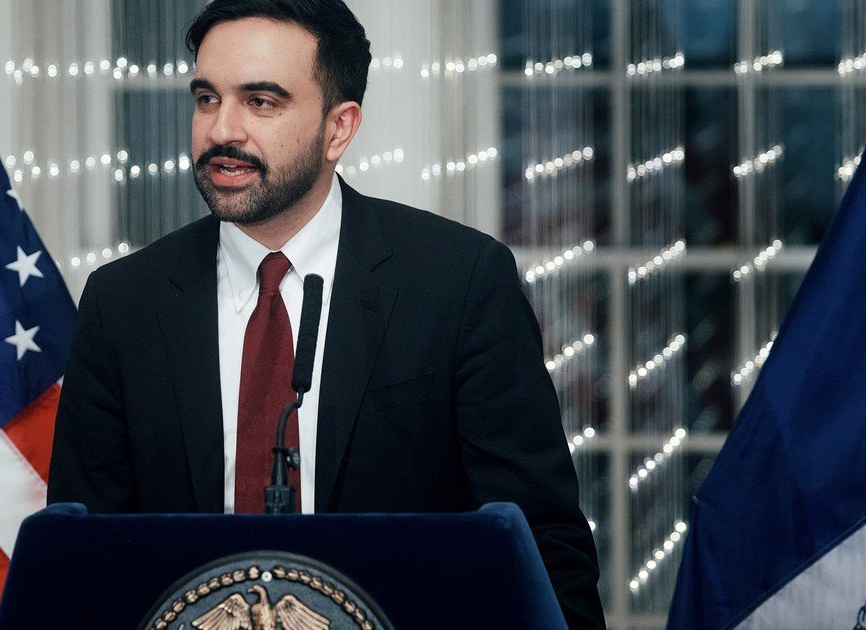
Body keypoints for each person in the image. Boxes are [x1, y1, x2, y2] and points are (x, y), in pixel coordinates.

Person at [47, 0, 604, 625]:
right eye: (207, 98)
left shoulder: (459, 283)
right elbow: (83, 563)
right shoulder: (123, 303)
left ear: (339, 128)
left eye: (260, 101)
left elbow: (541, 549)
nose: (221, 130)